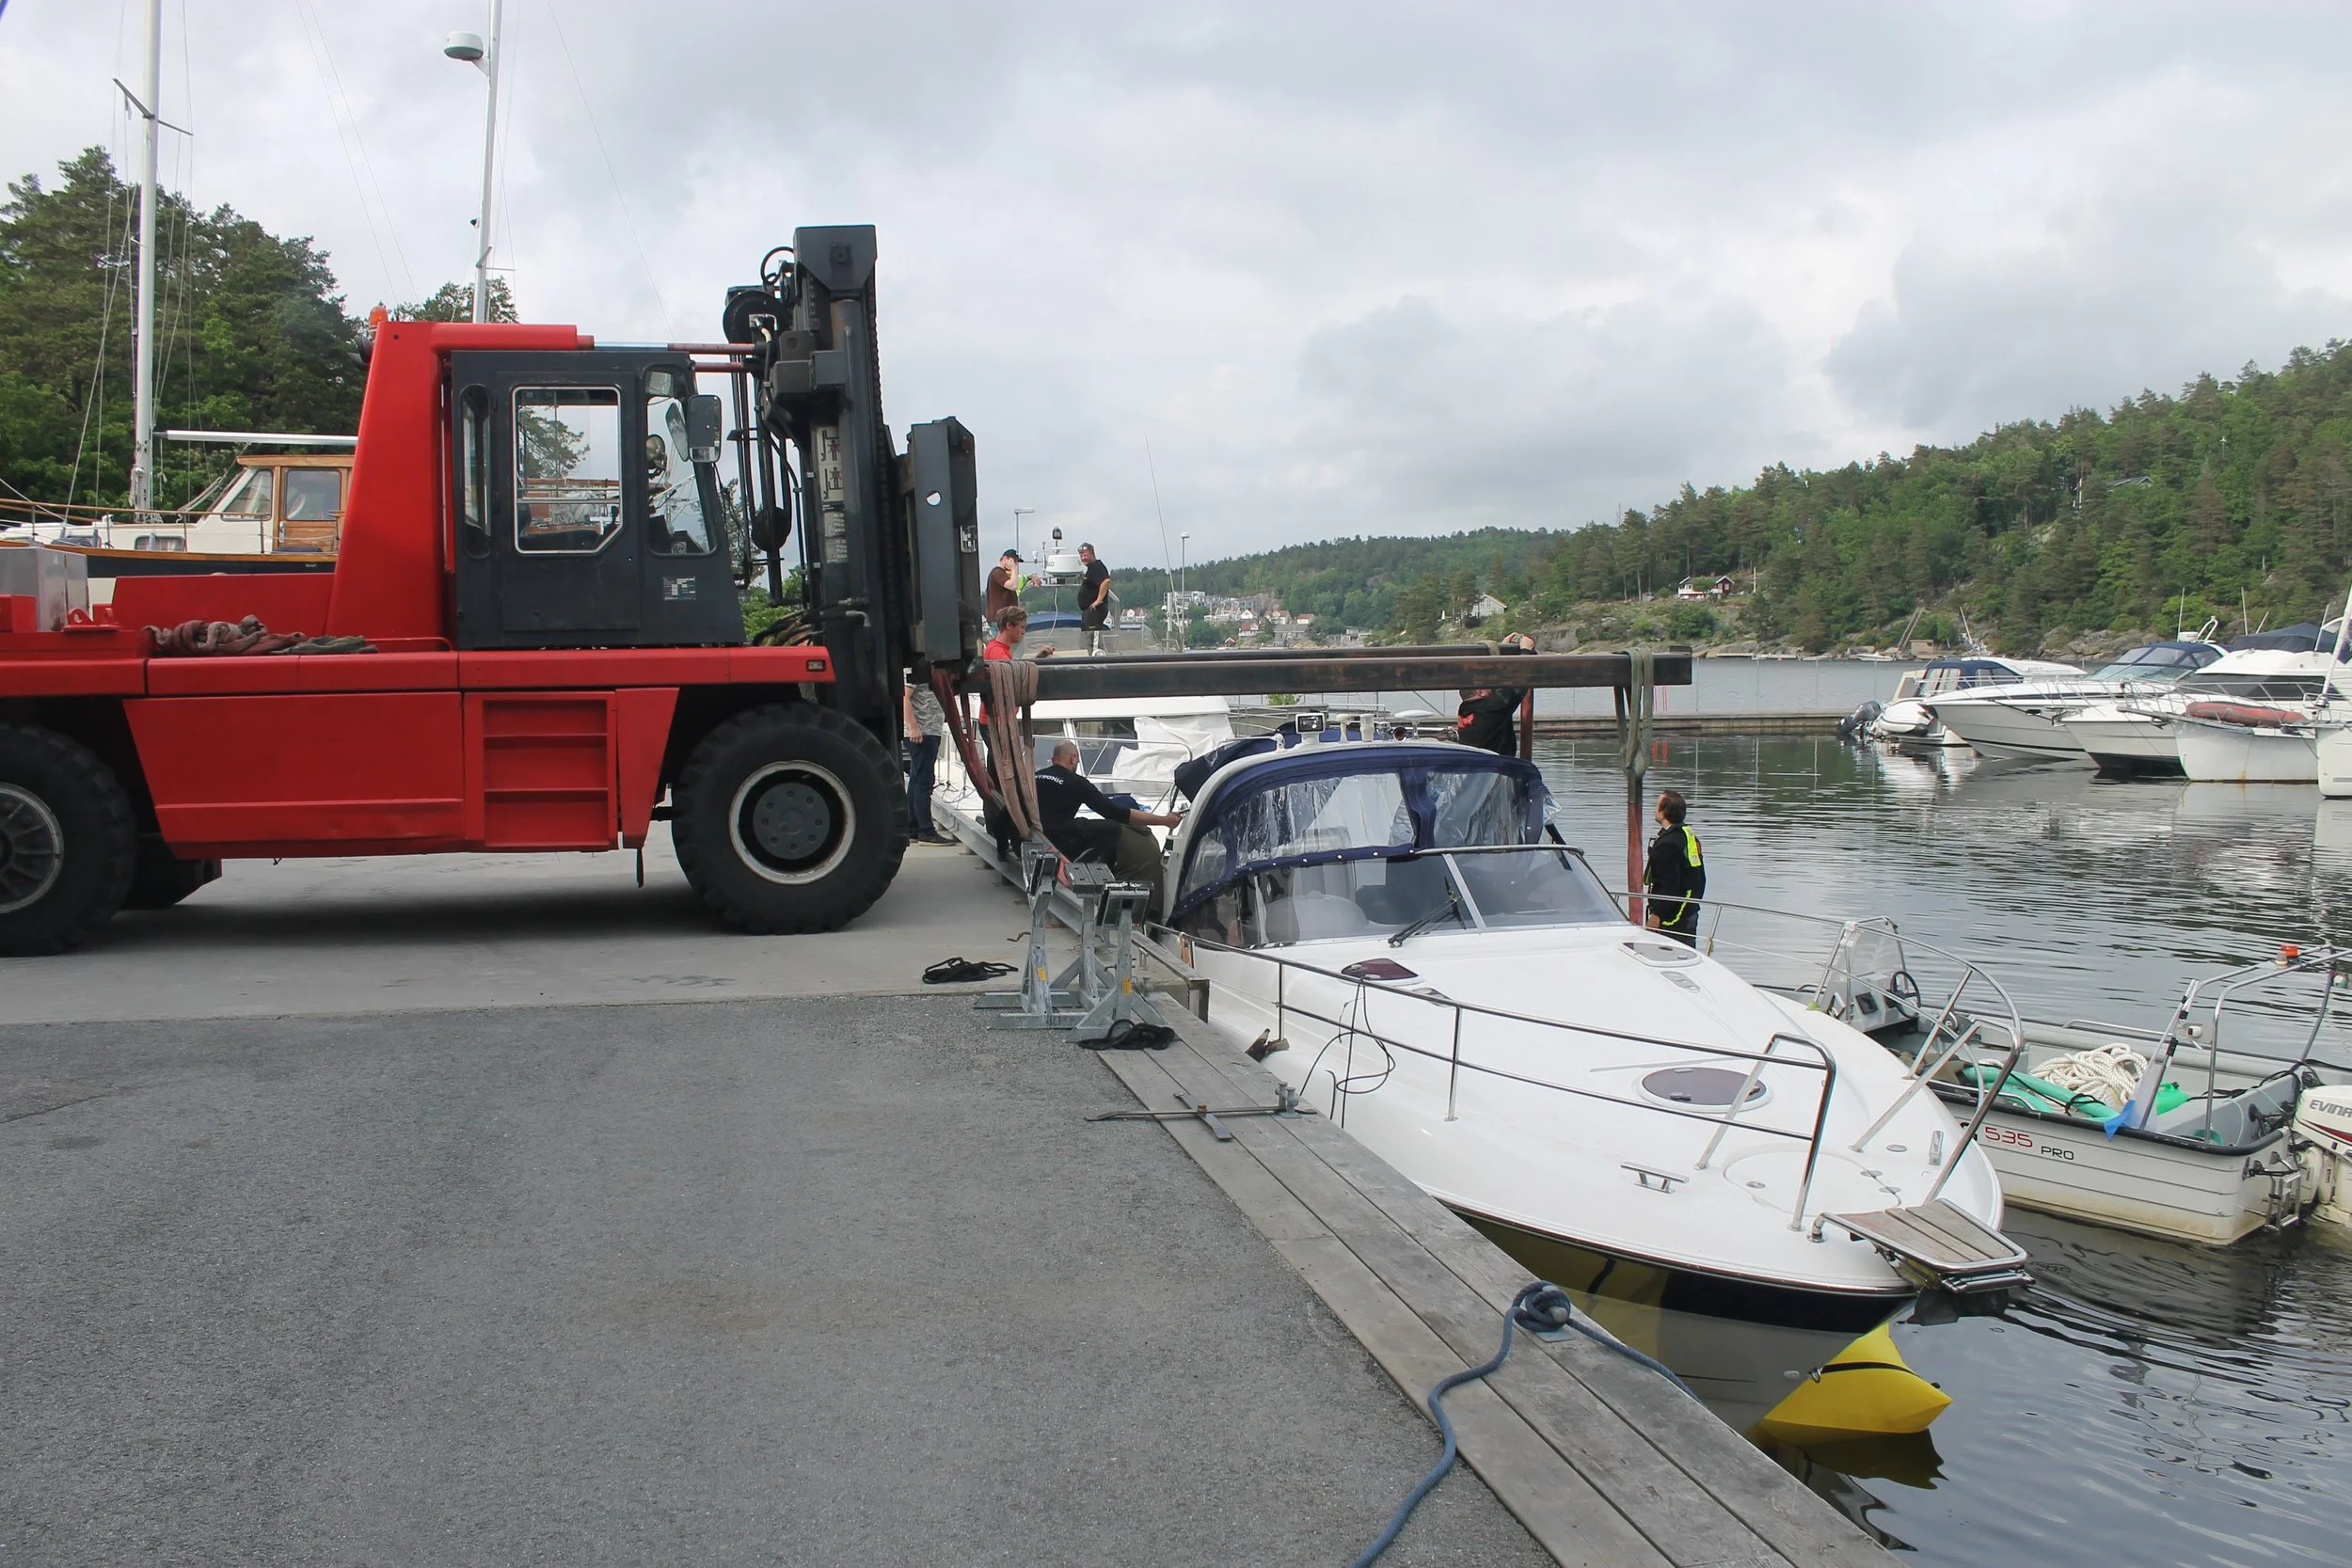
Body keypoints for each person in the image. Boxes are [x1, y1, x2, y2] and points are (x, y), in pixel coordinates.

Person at [1034, 738, 1182, 888]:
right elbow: (1114, 812)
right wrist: (1164, 820)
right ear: (1073, 758)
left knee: (1081, 823)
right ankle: (1074, 865)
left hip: (1033, 836)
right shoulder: (1077, 782)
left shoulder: (1035, 777)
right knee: (1111, 828)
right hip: (1057, 838)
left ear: (1053, 759)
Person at [1644, 788, 1706, 947]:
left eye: (1657, 805)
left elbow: (1669, 884)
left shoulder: (1667, 845)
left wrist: (1656, 915)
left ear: (1664, 812)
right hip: (1689, 910)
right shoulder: (1688, 836)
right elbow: (1700, 877)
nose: (1654, 810)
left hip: (1672, 918)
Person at [1456, 633, 1535, 754]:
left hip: (1481, 765)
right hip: (1498, 766)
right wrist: (1526, 651)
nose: (1493, 687)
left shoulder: (1466, 710)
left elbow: (1505, 687)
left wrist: (1503, 652)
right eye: (1489, 685)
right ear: (1481, 692)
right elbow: (1519, 684)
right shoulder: (1491, 709)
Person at [902, 672, 951, 844]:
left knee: (916, 780)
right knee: (924, 781)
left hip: (929, 730)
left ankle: (913, 828)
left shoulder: (930, 669)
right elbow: (904, 697)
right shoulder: (915, 669)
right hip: (923, 732)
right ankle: (926, 831)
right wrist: (913, 727)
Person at [1077, 543, 1112, 654]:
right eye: (1081, 556)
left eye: (1085, 555)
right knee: (1087, 640)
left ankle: (1096, 660)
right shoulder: (1091, 569)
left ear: (1092, 554)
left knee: (1094, 640)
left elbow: (1106, 581)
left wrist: (1099, 600)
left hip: (1095, 611)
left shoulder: (1097, 566)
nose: (1083, 558)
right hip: (1088, 612)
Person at [985, 549, 1025, 629]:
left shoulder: (1002, 574)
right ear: (1006, 559)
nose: (1015, 564)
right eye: (1014, 561)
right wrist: (1013, 569)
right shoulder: (997, 572)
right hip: (1000, 620)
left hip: (1005, 619)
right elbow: (1013, 585)